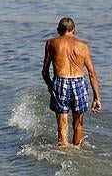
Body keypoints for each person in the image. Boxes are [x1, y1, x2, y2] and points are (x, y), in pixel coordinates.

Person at [42, 17, 101, 147]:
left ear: (58, 30)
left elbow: (45, 72)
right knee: (78, 124)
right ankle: (77, 152)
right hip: (79, 83)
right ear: (74, 30)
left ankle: (63, 153)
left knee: (62, 124)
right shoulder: (83, 46)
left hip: (60, 82)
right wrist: (97, 97)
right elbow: (92, 73)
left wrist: (50, 84)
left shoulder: (51, 43)